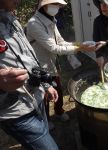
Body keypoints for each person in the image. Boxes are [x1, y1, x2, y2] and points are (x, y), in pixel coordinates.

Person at [26, 0, 97, 129]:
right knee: (44, 94)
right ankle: (46, 119)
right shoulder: (34, 24)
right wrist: (80, 49)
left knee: (58, 88)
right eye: (55, 5)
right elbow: (54, 48)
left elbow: (60, 41)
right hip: (40, 66)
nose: (57, 8)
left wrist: (79, 44)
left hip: (52, 63)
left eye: (58, 5)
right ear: (44, 5)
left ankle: (59, 111)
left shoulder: (51, 19)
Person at [0, 0, 60, 149]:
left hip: (35, 98)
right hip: (15, 111)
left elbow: (29, 57)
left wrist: (45, 85)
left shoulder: (11, 18)